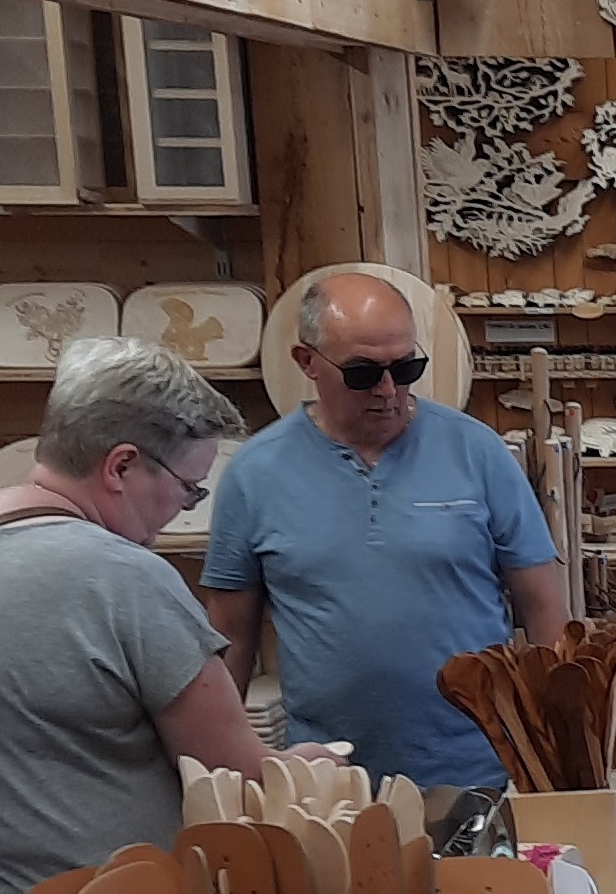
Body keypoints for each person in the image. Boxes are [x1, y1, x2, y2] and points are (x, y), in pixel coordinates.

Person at [0, 335, 278, 894]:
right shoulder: (125, 580)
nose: (180, 513)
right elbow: (235, 778)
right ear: (121, 467)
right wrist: (310, 768)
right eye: (189, 489)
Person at [202, 269, 565, 794]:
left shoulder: (478, 452)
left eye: (406, 367)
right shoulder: (254, 474)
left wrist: (557, 755)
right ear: (307, 362)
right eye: (362, 374)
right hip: (328, 780)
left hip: (480, 768)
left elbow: (545, 608)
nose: (389, 391)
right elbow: (230, 637)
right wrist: (224, 770)